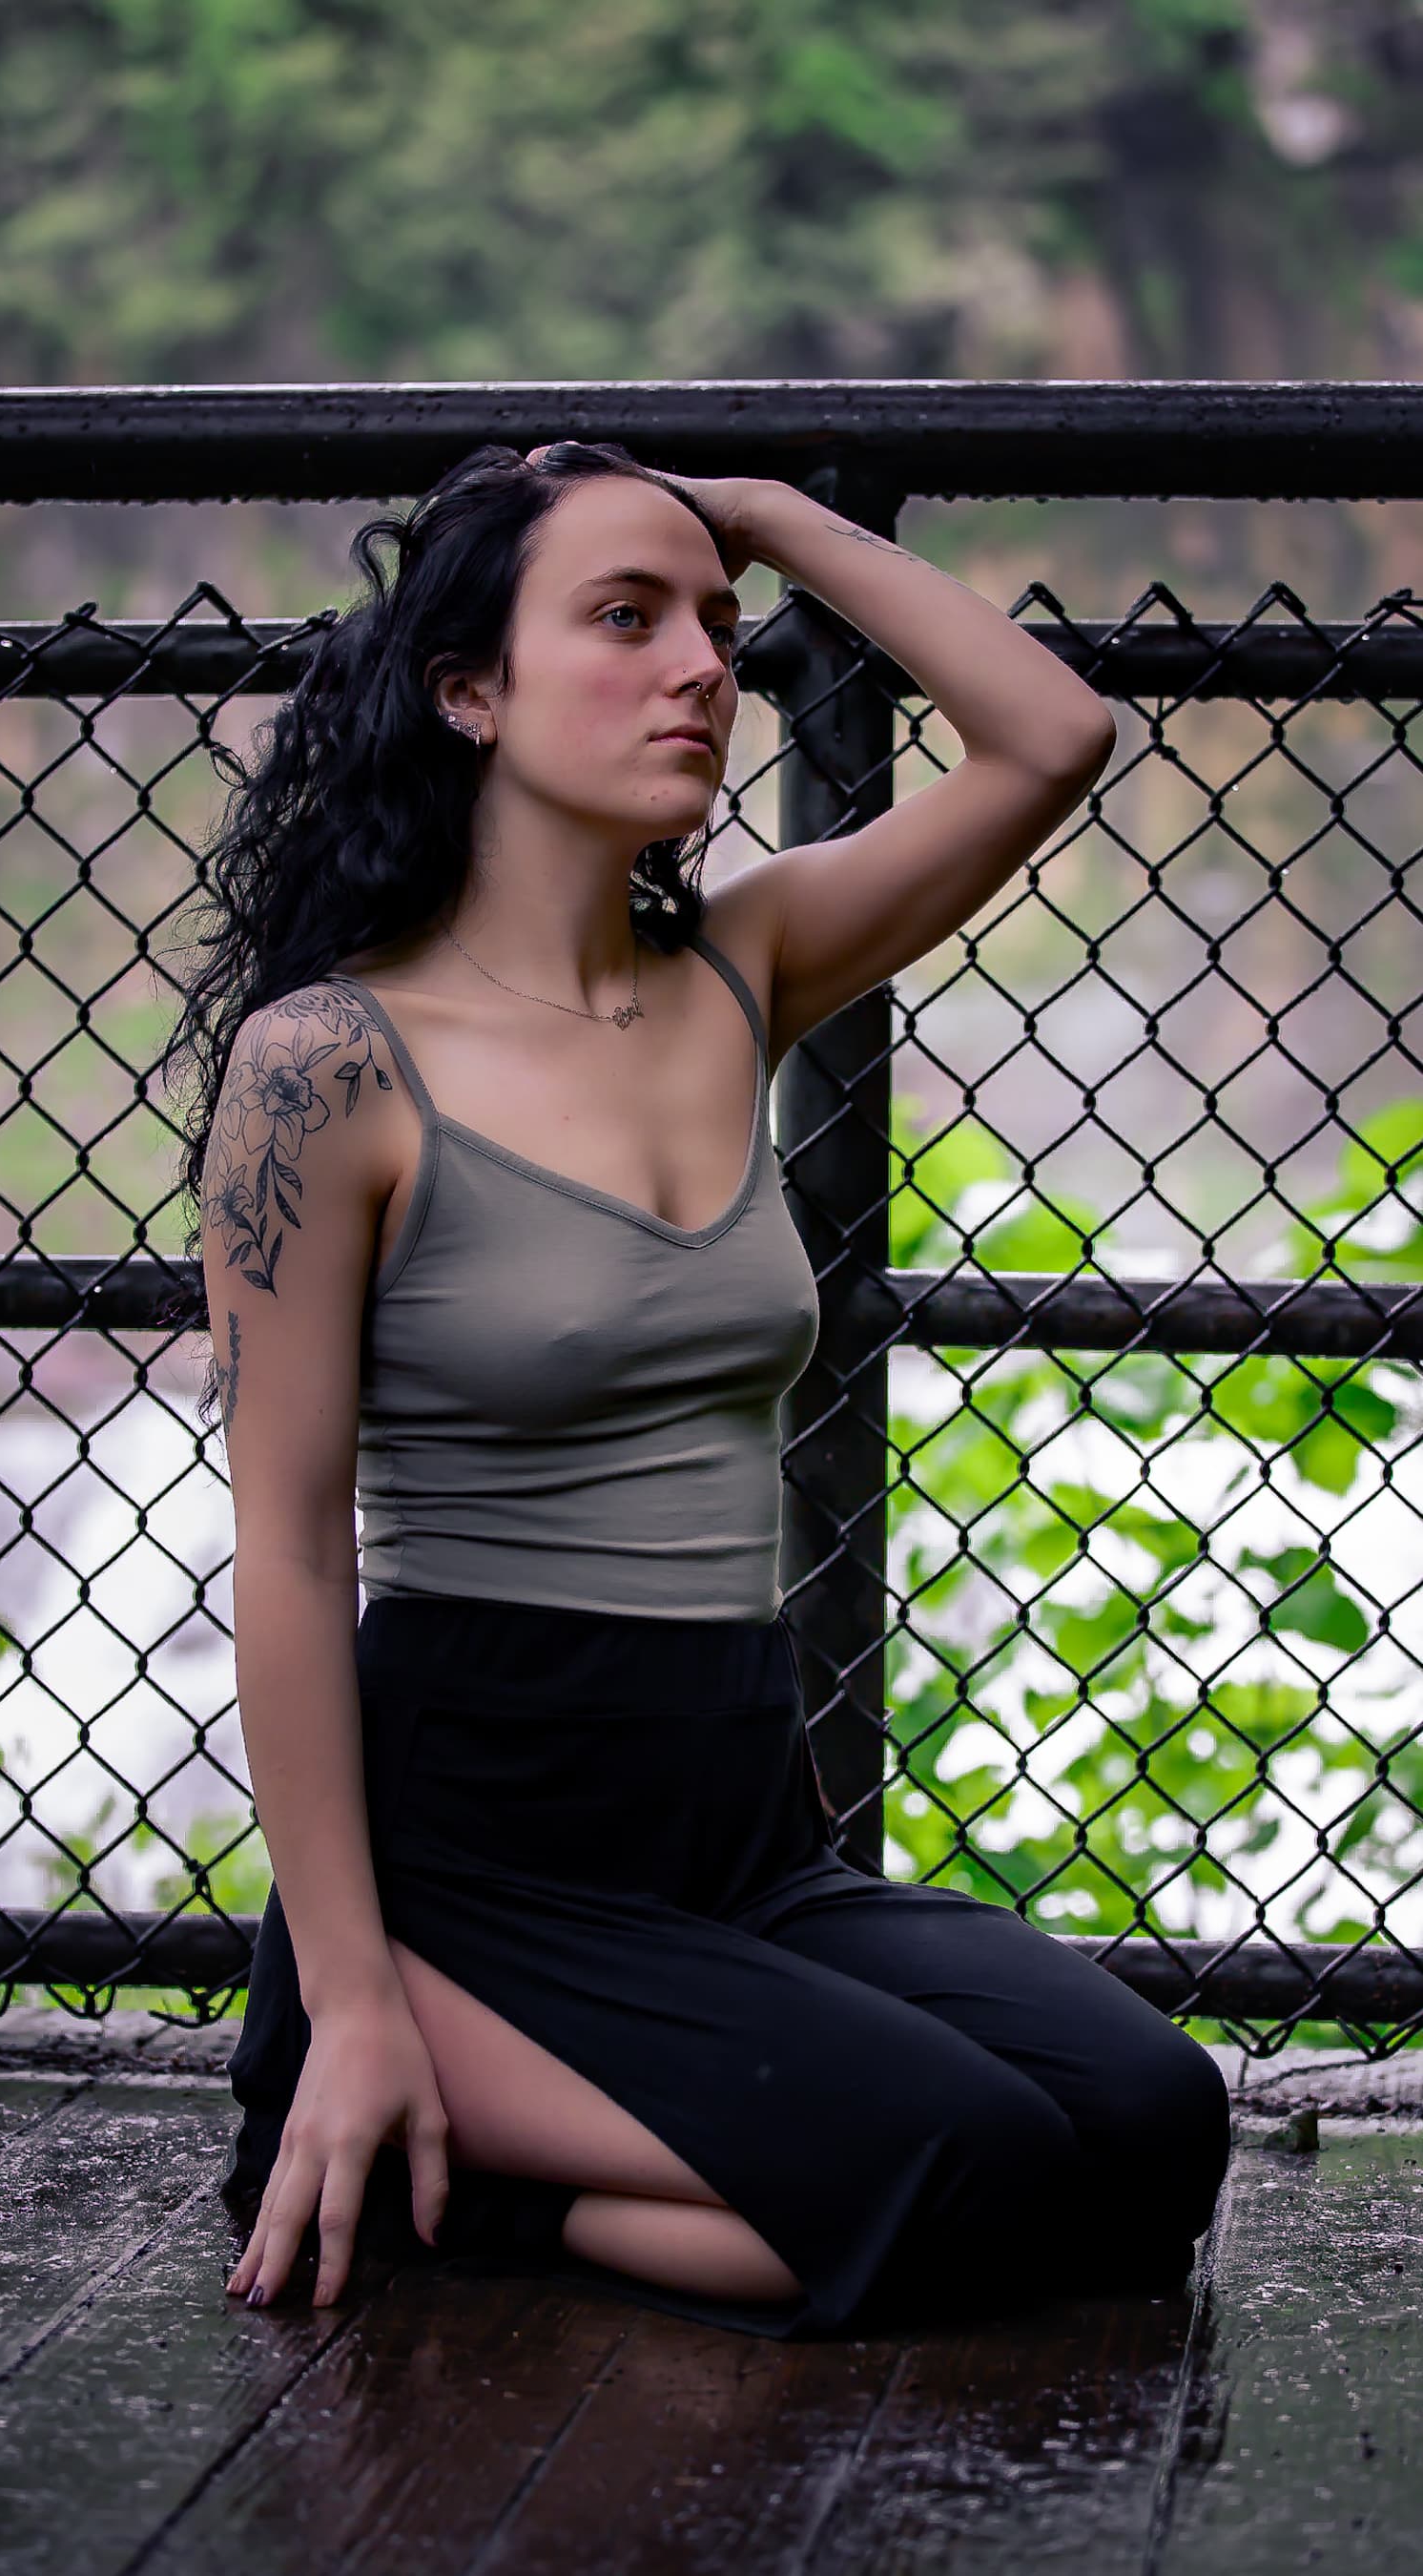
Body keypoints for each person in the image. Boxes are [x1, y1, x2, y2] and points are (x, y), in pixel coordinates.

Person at [155, 439, 1232, 2339]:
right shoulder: (327, 1067)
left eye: (722, 631)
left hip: (733, 1818)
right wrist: (354, 1988)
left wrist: (773, 517)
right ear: (465, 689)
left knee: (1152, 2122)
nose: (703, 671)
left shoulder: (745, 967)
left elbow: (1051, 740)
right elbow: (288, 1550)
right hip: (474, 1848)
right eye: (625, 619)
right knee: (973, 2168)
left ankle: (562, 2164)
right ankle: (437, 2139)